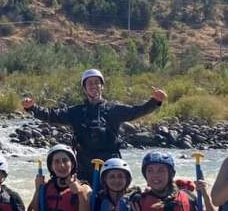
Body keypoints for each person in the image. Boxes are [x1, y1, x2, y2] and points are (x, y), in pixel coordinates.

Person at [22, 69, 166, 181]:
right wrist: (32, 108)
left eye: (97, 82)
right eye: (89, 83)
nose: (93, 86)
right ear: (84, 88)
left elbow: (137, 111)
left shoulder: (114, 109)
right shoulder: (75, 112)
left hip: (111, 165)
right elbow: (51, 115)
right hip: (84, 166)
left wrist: (155, 101)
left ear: (102, 86)